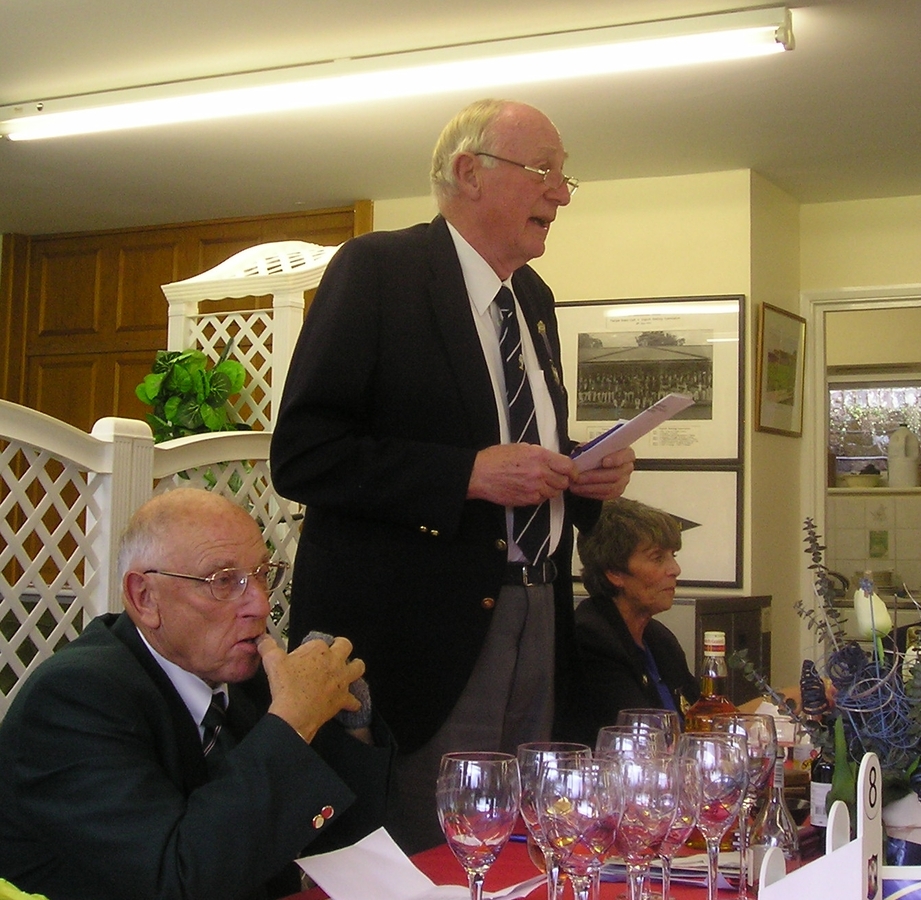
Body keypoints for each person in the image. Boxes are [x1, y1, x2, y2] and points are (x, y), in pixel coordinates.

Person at [270, 97, 634, 852]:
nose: (560, 194)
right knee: (428, 848)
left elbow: (522, 447)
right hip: (421, 640)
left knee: (520, 845)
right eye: (543, 171)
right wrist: (463, 474)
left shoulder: (532, 301)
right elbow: (304, 454)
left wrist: (584, 477)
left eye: (565, 178)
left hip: (540, 615)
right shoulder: (378, 270)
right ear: (468, 172)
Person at [0, 488, 394, 900]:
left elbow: (345, 846)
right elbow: (179, 882)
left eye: (262, 574)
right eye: (224, 581)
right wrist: (293, 723)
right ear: (144, 598)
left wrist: (351, 724)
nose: (260, 604)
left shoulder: (244, 678)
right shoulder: (74, 699)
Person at [570, 497, 700, 746]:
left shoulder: (659, 638)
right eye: (657, 558)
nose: (675, 569)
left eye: (673, 555)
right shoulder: (590, 638)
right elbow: (640, 738)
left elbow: (699, 717)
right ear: (615, 573)